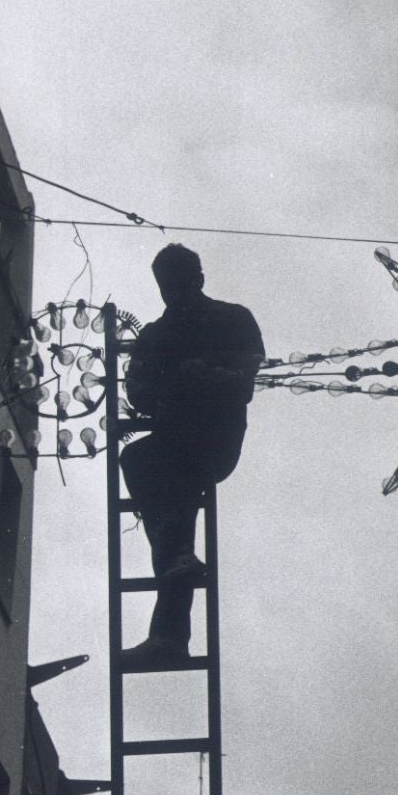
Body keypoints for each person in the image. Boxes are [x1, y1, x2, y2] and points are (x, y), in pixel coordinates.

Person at [119, 244, 264, 670]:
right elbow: (137, 394)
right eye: (166, 287)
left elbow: (246, 378)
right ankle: (168, 628)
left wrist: (204, 375)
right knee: (166, 497)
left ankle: (170, 607)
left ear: (198, 279)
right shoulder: (155, 335)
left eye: (179, 283)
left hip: (213, 437)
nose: (173, 294)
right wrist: (173, 385)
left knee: (155, 474)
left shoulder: (232, 318)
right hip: (175, 445)